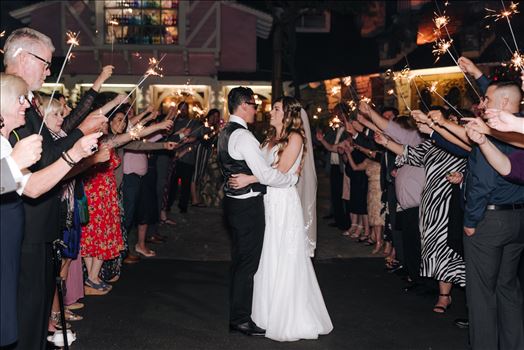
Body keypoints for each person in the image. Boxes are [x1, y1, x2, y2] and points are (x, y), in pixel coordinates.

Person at [3, 27, 108, 350]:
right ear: (21, 57)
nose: (49, 71)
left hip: (34, 224)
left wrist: (78, 150)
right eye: (45, 63)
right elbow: (38, 165)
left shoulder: (26, 103)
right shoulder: (11, 106)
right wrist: (79, 140)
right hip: (22, 228)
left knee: (30, 318)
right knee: (20, 316)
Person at [229, 96, 333, 341]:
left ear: (288, 113)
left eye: (276, 108)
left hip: (284, 203)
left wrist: (248, 179)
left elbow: (281, 171)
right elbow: (261, 167)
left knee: (283, 255)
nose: (270, 111)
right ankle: (265, 314)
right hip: (266, 201)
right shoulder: (268, 138)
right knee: (267, 255)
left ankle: (288, 316)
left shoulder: (295, 137)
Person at [217, 87, 298, 336]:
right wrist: (291, 180)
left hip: (234, 203)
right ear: (243, 106)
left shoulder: (225, 132)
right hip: (248, 207)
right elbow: (264, 175)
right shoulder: (244, 137)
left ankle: (242, 313)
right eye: (254, 105)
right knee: (247, 263)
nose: (257, 109)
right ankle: (240, 318)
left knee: (241, 259)